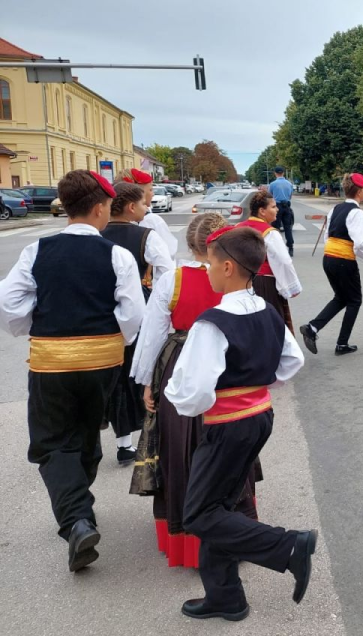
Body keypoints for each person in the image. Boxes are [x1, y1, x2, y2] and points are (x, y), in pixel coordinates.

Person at [165, 226, 313, 621]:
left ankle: (289, 547)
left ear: (228, 267)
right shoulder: (265, 309)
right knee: (220, 506)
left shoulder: (211, 323)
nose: (207, 269)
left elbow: (193, 392)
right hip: (258, 416)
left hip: (227, 424)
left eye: (210, 263)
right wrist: (253, 386)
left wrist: (179, 400)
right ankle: (225, 596)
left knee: (198, 514)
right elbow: (291, 361)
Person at [0, 170, 145, 571]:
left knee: (51, 442)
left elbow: (9, 304)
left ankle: (77, 519)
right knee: (86, 434)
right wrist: (114, 338)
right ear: (100, 208)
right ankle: (79, 512)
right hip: (103, 361)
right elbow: (133, 314)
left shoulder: (37, 250)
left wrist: (40, 326)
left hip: (51, 360)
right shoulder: (116, 255)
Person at [130, 213, 262, 568]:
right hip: (229, 369)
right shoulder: (238, 282)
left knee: (183, 447)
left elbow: (153, 334)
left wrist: (147, 382)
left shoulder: (173, 280)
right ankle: (238, 524)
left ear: (192, 244)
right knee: (229, 446)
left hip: (182, 367)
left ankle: (190, 534)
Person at [101, 182, 175, 465]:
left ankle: (122, 442)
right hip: (138, 311)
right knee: (141, 375)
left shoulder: (98, 233)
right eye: (144, 204)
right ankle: (144, 437)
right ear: (131, 207)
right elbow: (167, 274)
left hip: (104, 314)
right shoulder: (147, 236)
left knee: (114, 378)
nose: (147, 208)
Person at [300, 173, 363, 356]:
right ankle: (342, 343)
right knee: (355, 300)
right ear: (359, 191)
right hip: (343, 260)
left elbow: (328, 235)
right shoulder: (357, 213)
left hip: (329, 258)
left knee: (341, 298)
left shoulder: (336, 209)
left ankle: (312, 327)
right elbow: (362, 243)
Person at [237, 191, 302, 331]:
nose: (277, 209)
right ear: (262, 211)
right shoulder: (270, 233)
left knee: (247, 324)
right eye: (273, 207)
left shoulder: (238, 228)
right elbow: (283, 261)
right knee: (269, 325)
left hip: (239, 282)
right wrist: (291, 287)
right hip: (264, 283)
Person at [118, 168, 178, 259]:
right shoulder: (152, 221)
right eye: (150, 190)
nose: (153, 194)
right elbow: (169, 253)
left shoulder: (109, 222)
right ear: (139, 194)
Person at [268, 165, 295, 257]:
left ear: (275, 173)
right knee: (288, 227)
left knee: (275, 228)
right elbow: (290, 196)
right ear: (283, 173)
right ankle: (290, 247)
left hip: (277, 207)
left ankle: (277, 247)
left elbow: (270, 196)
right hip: (287, 206)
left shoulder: (272, 184)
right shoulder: (289, 184)